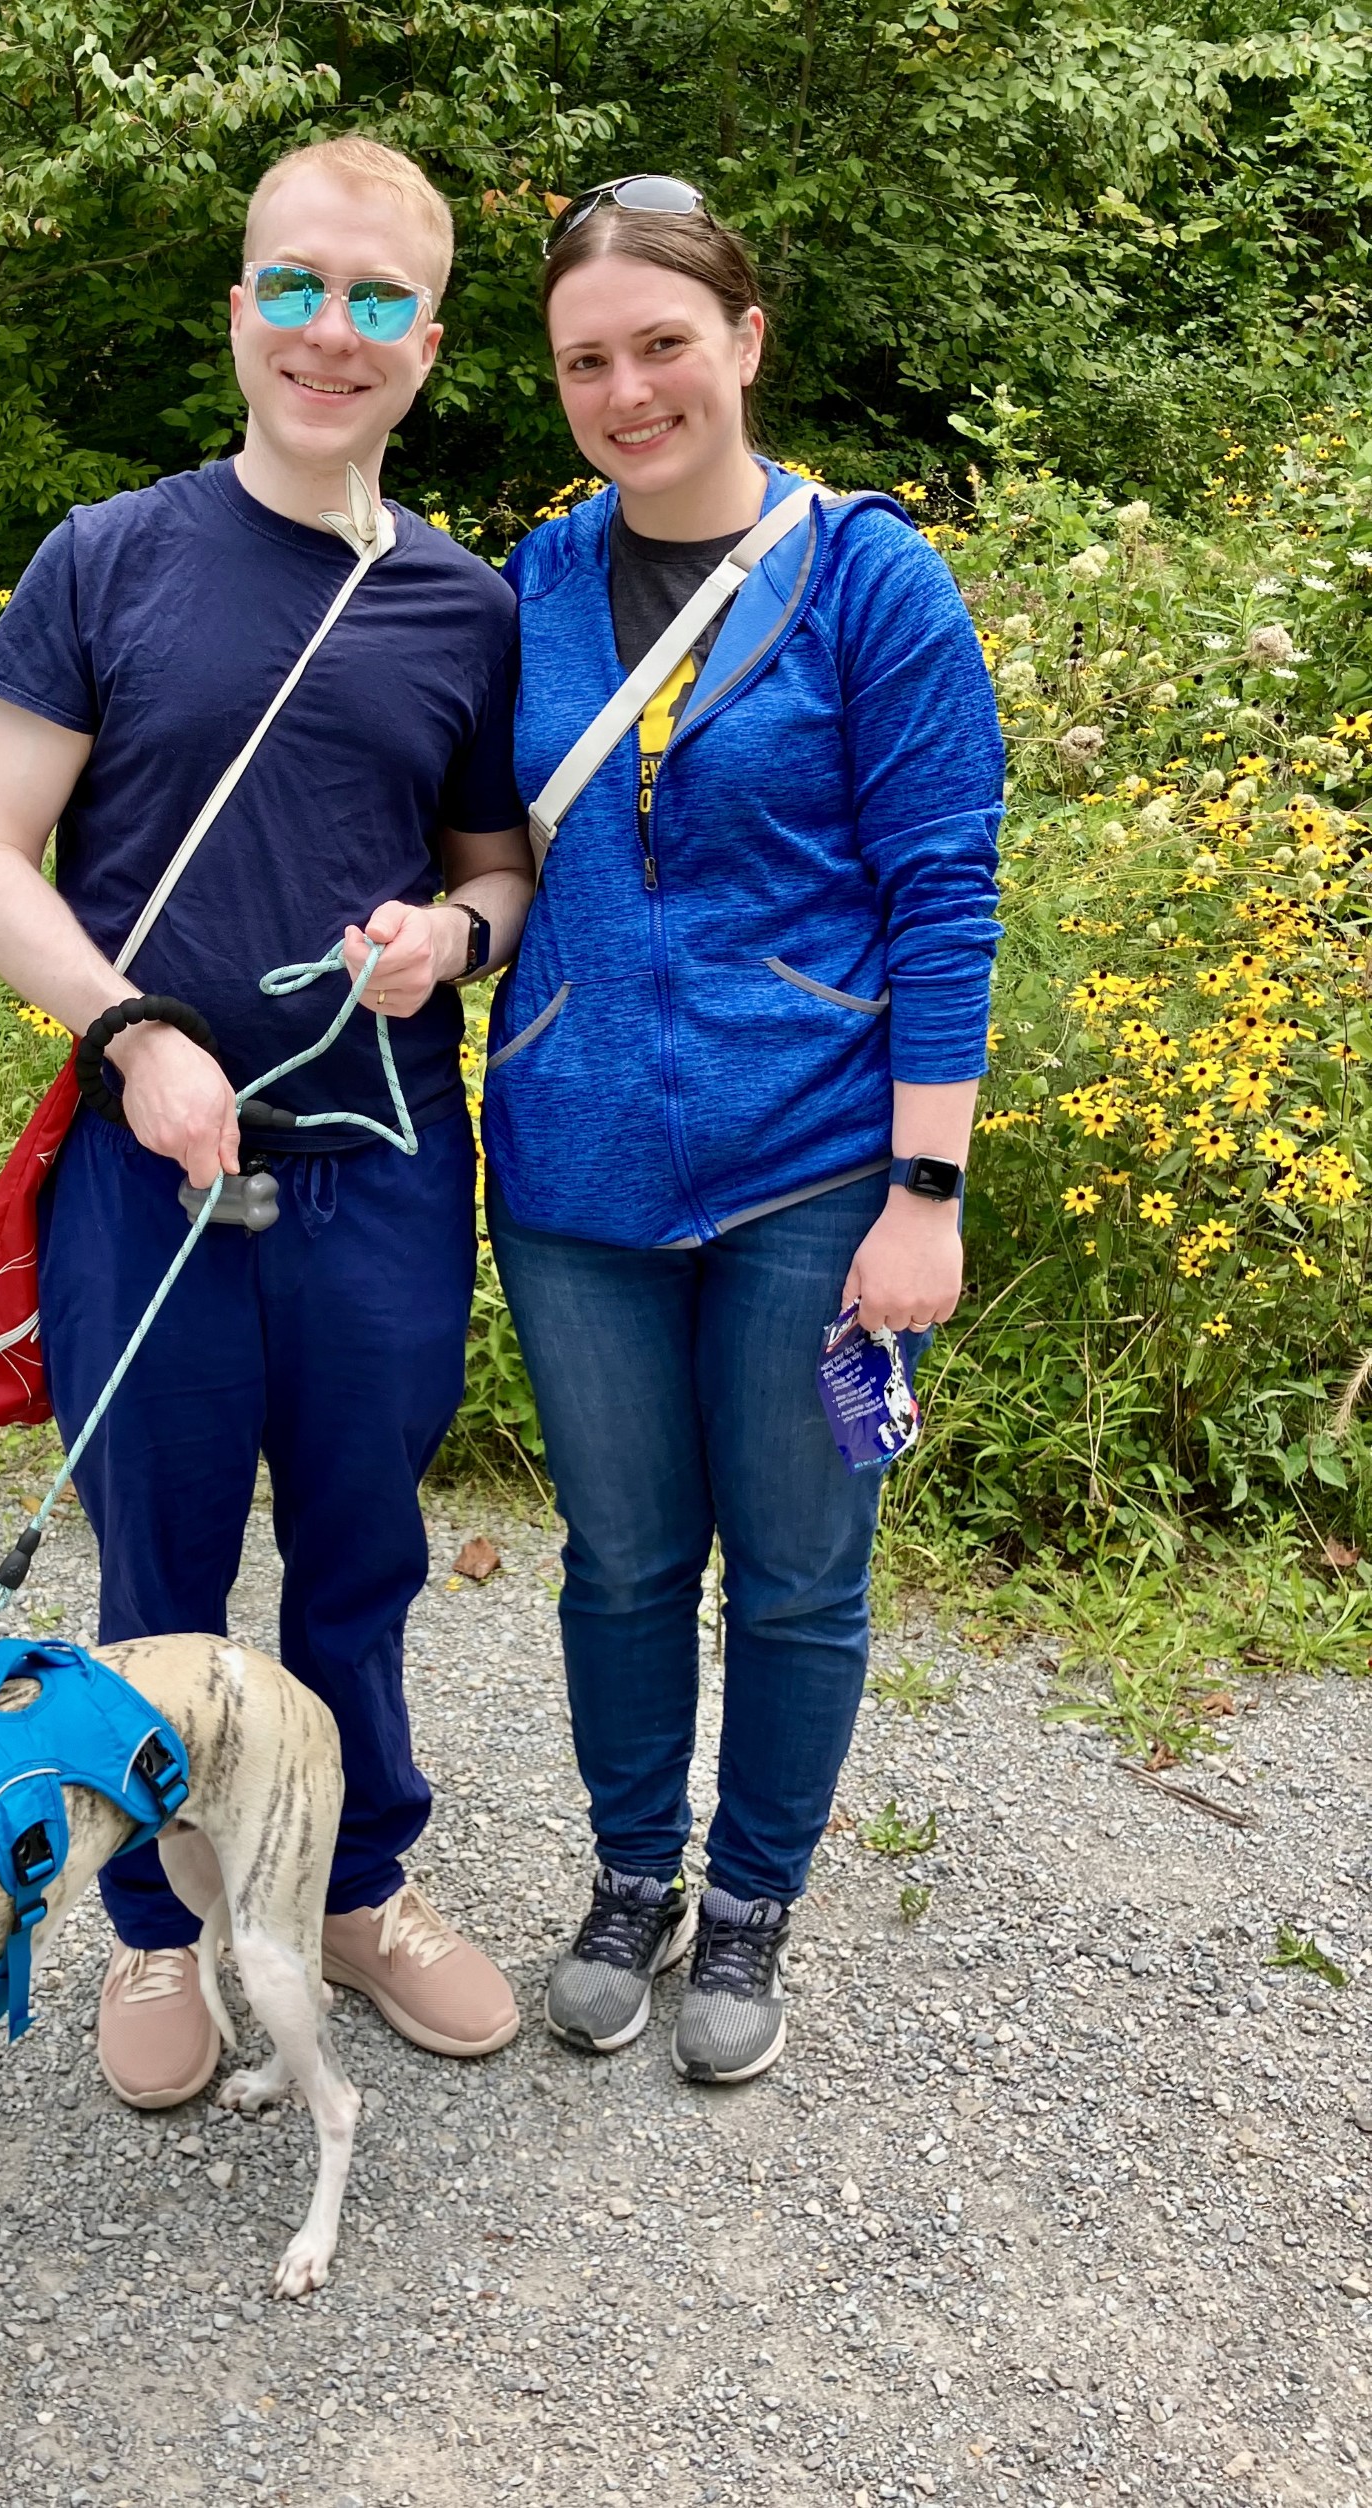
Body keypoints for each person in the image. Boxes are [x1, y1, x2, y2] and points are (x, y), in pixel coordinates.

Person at [0, 135, 534, 2108]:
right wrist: (130, 1033)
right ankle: (157, 1925)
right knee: (161, 1579)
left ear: (429, 340)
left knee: (359, 1559)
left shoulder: (461, 602)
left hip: (378, 1174)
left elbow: (499, 871)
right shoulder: (106, 558)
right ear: (240, 309)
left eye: (376, 299)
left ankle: (357, 1892)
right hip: (153, 1171)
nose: (331, 331)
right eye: (298, 285)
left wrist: (446, 934)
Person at [481, 178, 1004, 2084]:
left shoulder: (873, 578)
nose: (627, 390)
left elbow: (946, 891)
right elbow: (482, 850)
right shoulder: (523, 589)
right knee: (621, 1563)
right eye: (587, 361)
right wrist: (439, 940)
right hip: (571, 1176)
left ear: (746, 341)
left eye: (662, 345)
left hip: (813, 1172)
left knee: (794, 1570)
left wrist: (925, 1190)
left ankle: (758, 1901)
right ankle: (634, 1876)